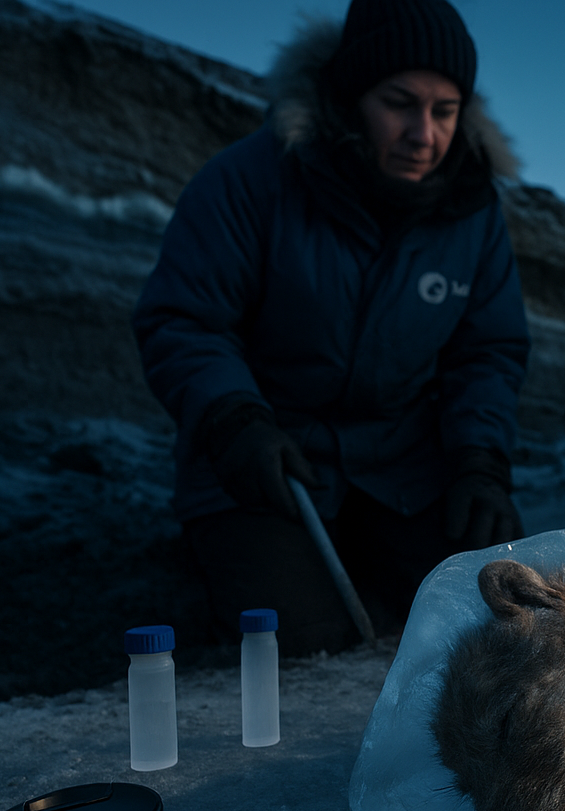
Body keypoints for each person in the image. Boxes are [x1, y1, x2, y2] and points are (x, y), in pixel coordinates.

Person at [133, 0, 529, 655]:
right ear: (349, 97)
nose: (423, 134)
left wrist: (477, 462)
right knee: (302, 640)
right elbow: (185, 319)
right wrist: (234, 420)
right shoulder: (249, 180)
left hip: (403, 466)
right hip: (269, 462)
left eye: (444, 111)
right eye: (399, 102)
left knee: (486, 612)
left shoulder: (473, 213)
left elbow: (486, 352)